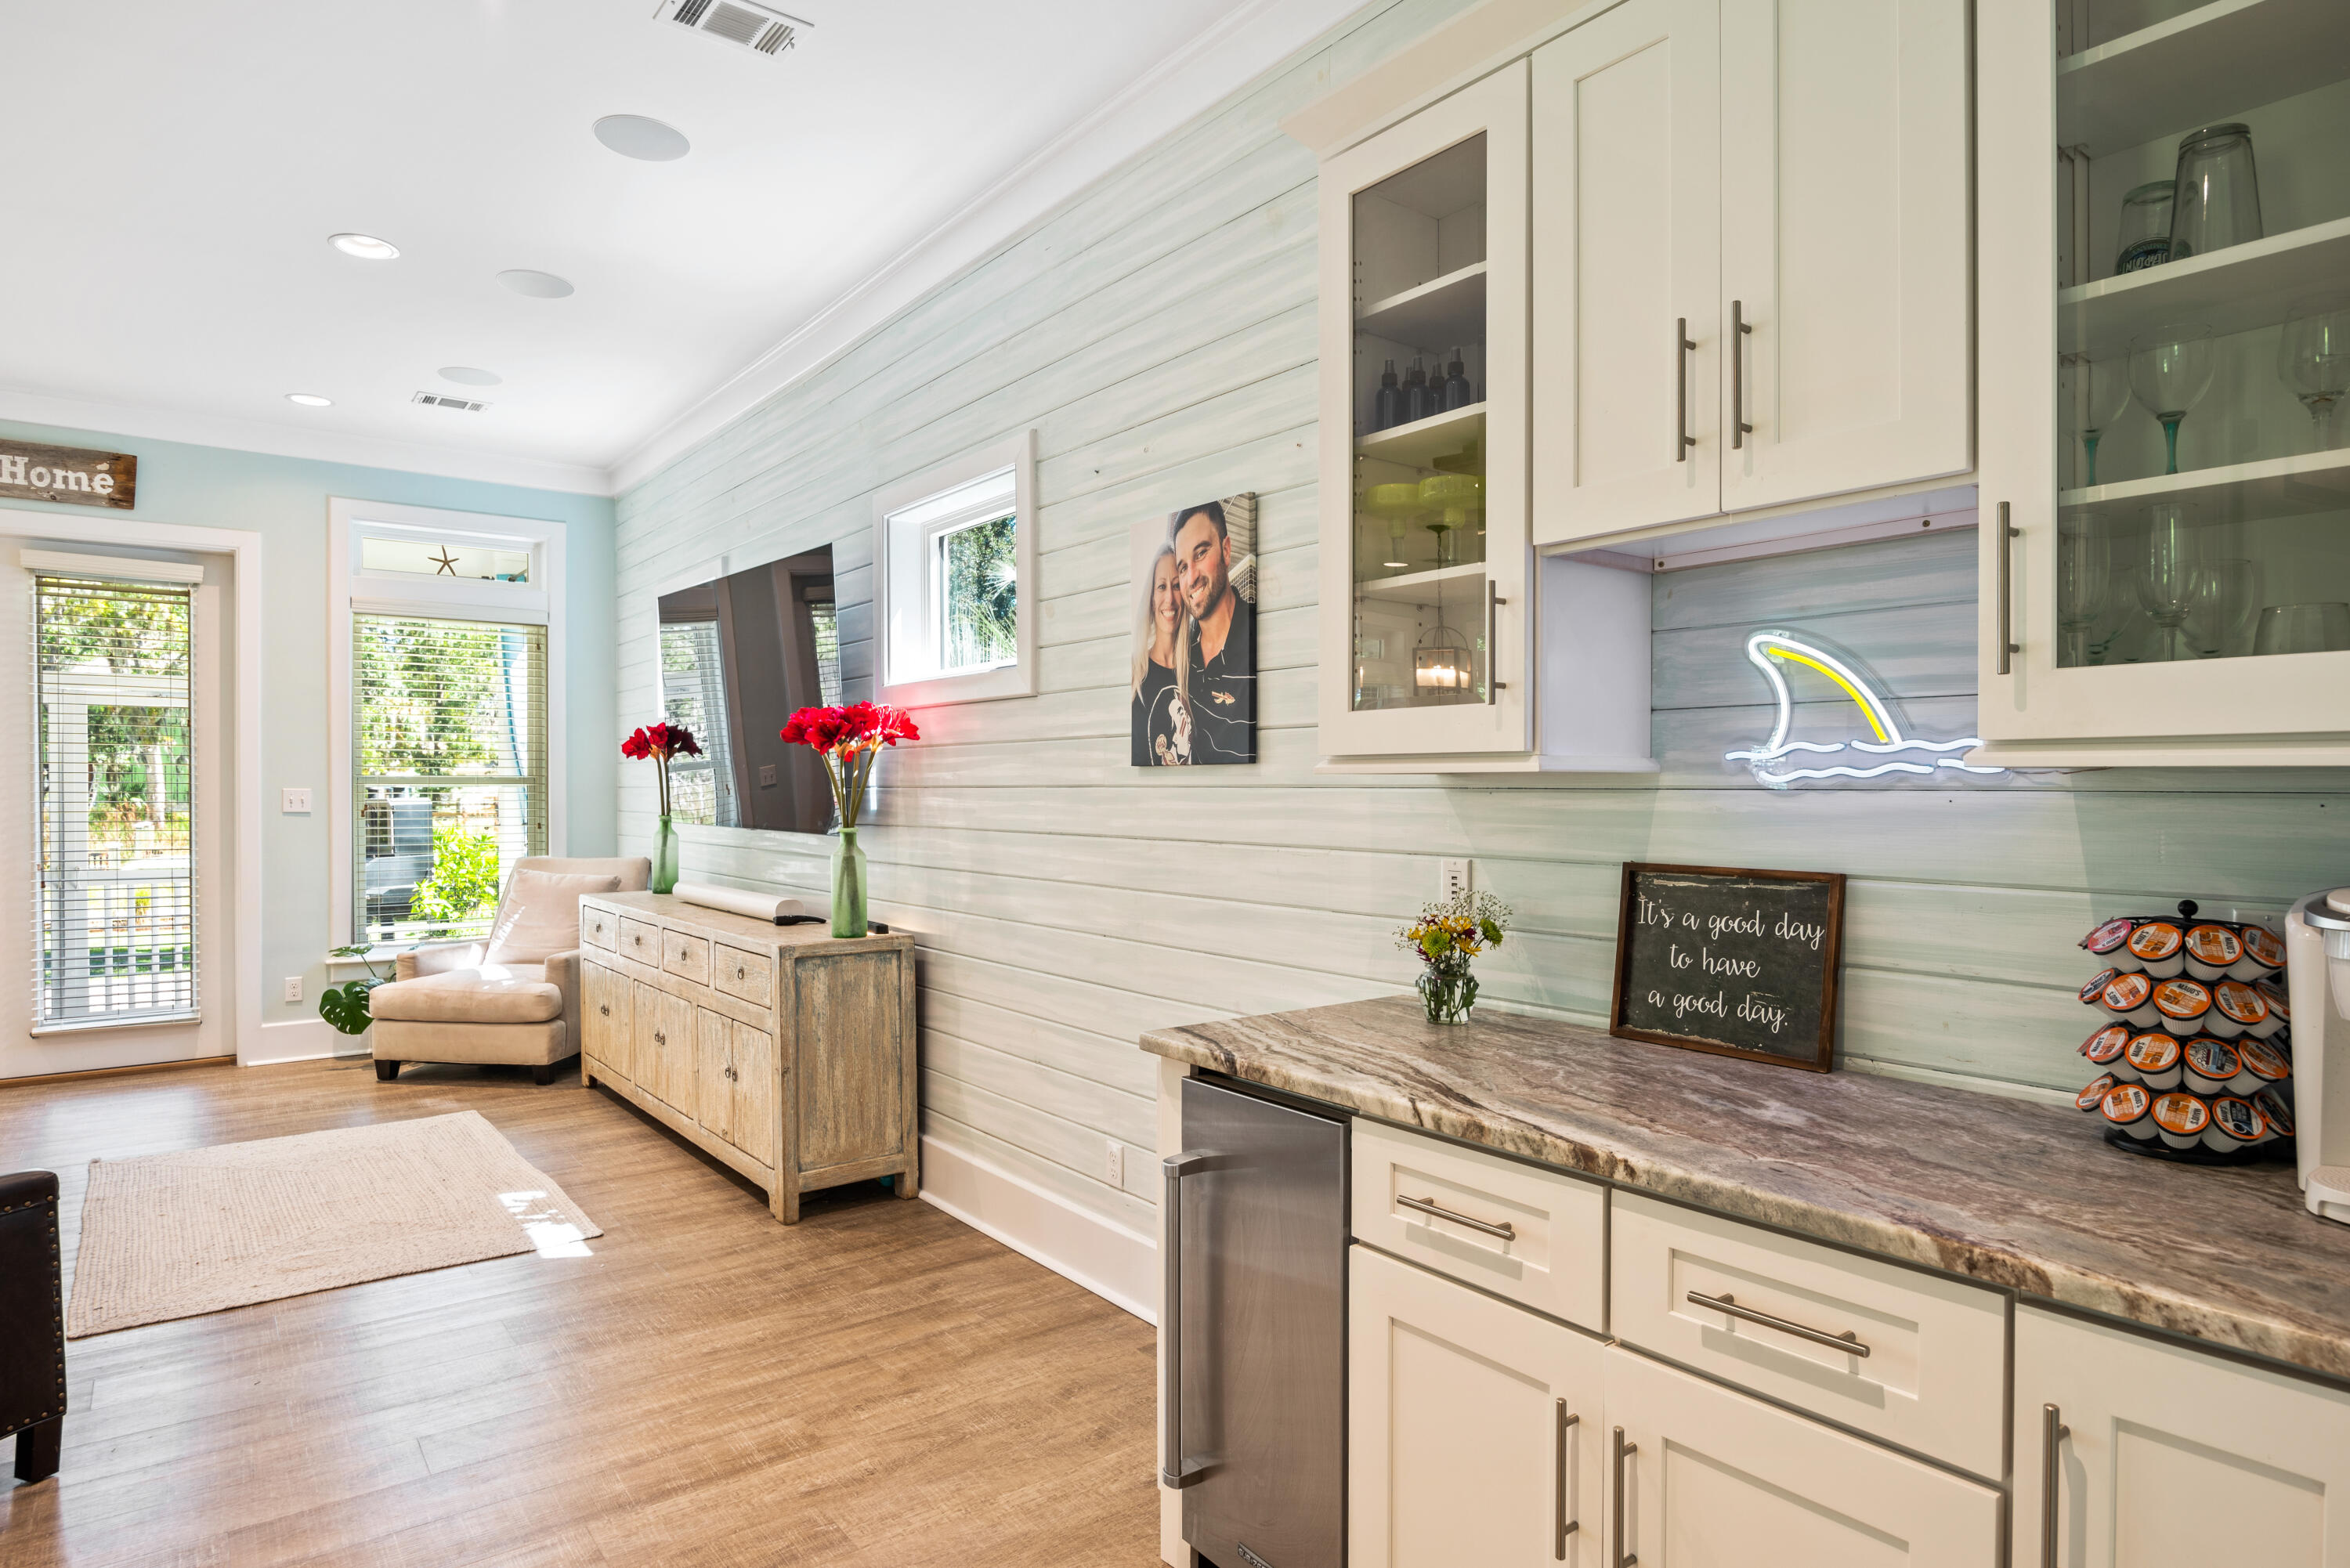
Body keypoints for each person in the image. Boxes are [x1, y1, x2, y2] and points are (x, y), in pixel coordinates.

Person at [1171, 500, 1254, 764]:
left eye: (1201, 553)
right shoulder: (1182, 658)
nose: (1191, 576)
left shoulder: (1260, 638)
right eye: (1183, 567)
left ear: (1226, 551)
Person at [1130, 543, 1191, 766]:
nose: (1170, 599)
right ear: (1152, 598)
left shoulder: (1197, 670)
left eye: (1176, 586)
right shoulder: (1134, 672)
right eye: (1162, 587)